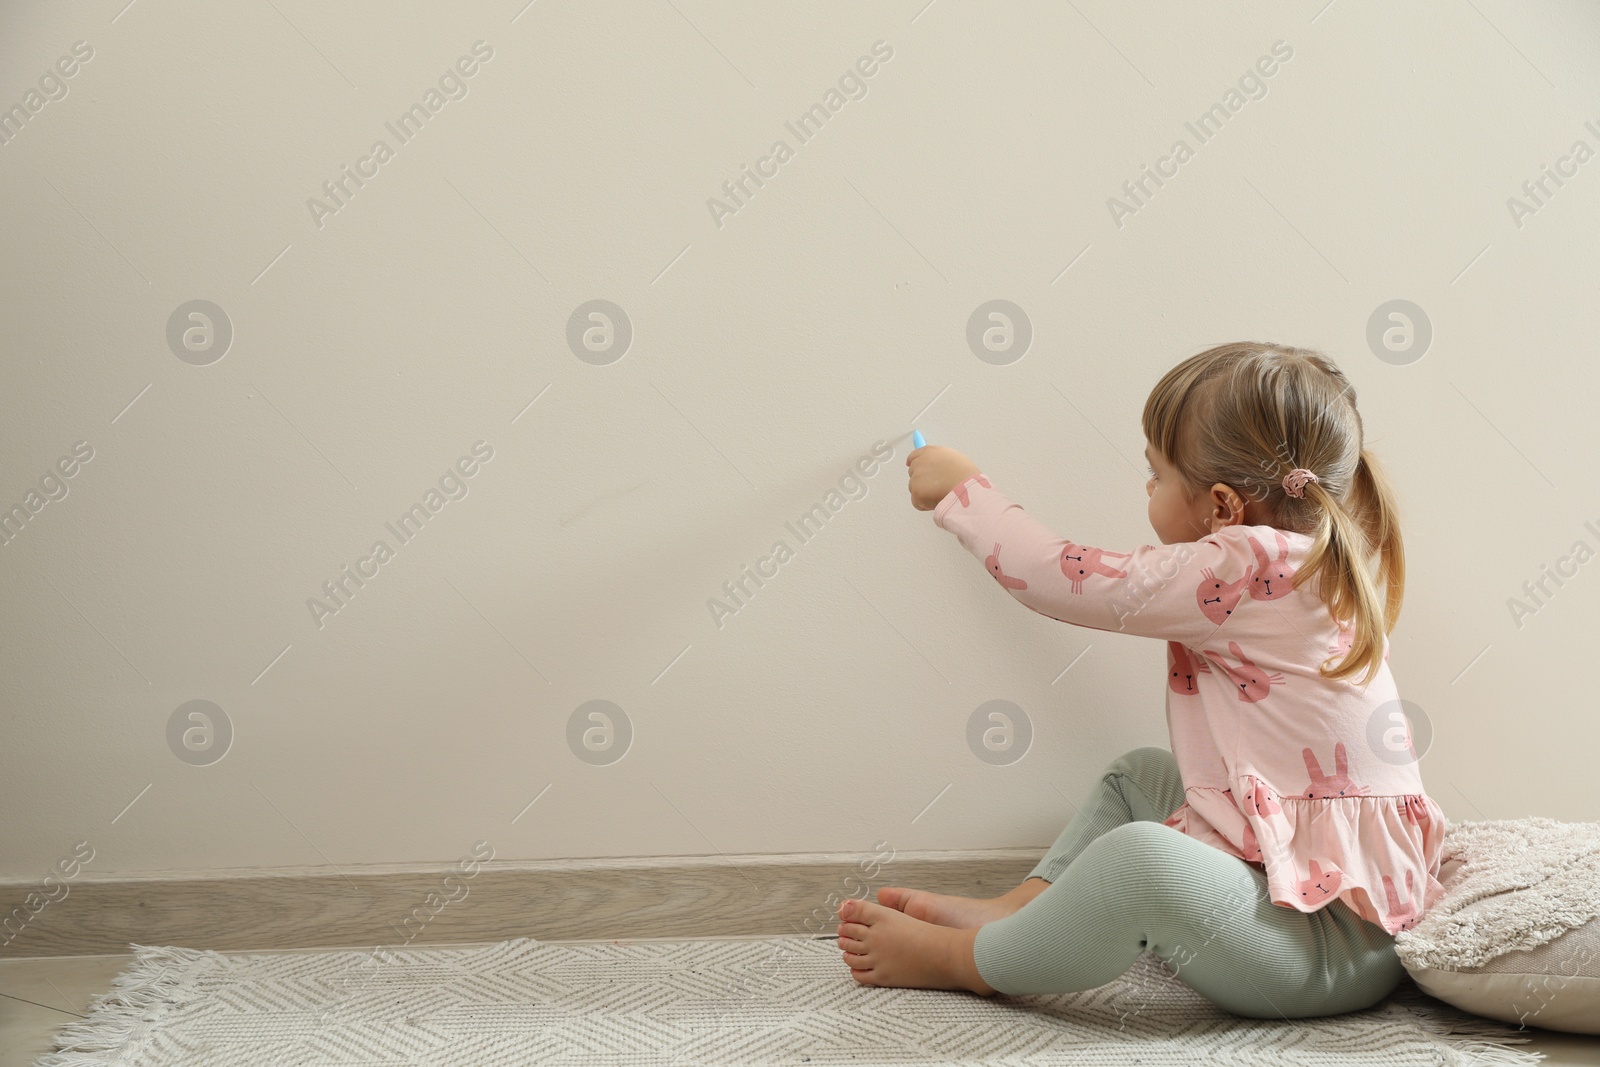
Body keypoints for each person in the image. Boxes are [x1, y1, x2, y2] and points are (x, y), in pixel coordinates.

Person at [835, 341, 1447, 1019]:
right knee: (1139, 777)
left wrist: (962, 493)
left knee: (1142, 858)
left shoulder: (1244, 565)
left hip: (1321, 955)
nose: (1146, 489)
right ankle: (1016, 911)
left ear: (1222, 506)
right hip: (1329, 917)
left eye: (1155, 474)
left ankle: (968, 961)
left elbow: (1054, 574)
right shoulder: (1317, 562)